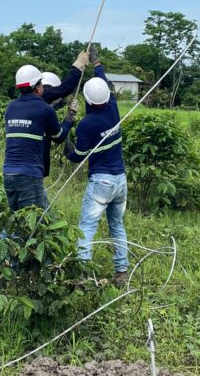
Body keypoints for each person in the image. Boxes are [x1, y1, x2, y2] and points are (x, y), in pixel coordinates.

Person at [64, 47, 128, 287]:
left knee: (87, 228)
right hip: (120, 180)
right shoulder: (113, 109)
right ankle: (121, 273)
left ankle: (82, 275)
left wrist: (68, 148)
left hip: (101, 182)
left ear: (88, 100)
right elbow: (105, 84)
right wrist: (97, 62)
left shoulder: (87, 124)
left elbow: (79, 156)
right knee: (117, 226)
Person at [3, 64, 76, 211]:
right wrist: (70, 118)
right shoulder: (45, 109)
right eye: (41, 83)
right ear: (37, 88)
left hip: (8, 173)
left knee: (17, 217)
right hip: (29, 174)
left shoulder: (10, 107)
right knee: (37, 221)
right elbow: (59, 136)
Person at [40, 51, 89, 178]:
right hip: (36, 164)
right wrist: (78, 66)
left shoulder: (28, 102)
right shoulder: (45, 93)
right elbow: (65, 88)